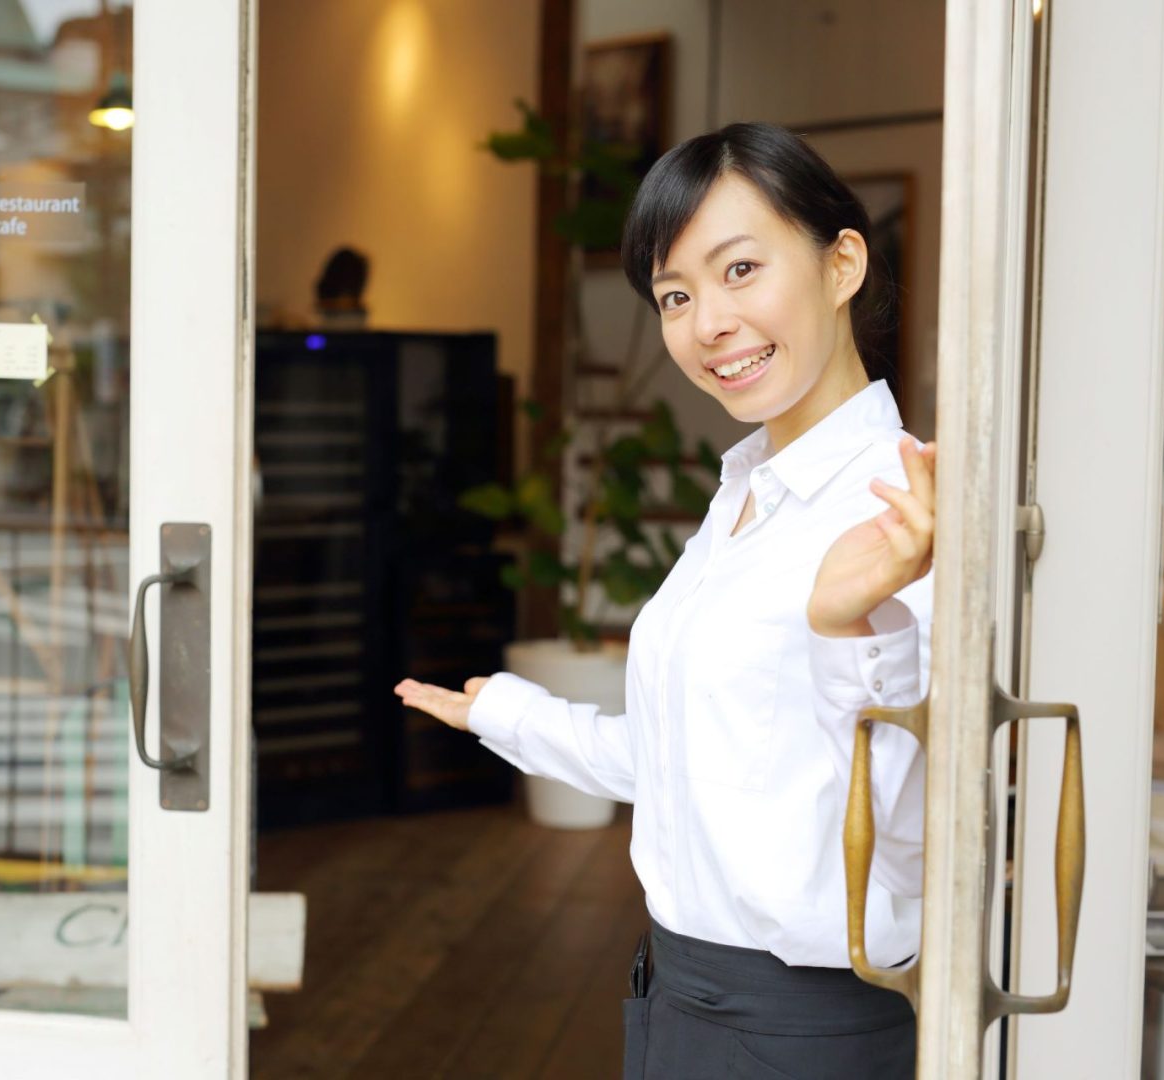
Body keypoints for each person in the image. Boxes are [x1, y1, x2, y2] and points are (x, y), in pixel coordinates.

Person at [394, 121, 936, 1079]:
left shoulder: (899, 512)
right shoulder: (748, 495)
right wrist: (507, 714)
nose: (707, 324)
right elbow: (690, 764)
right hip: (678, 996)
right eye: (675, 295)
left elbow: (911, 832)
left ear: (842, 262)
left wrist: (851, 631)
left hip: (798, 1030)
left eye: (739, 271)